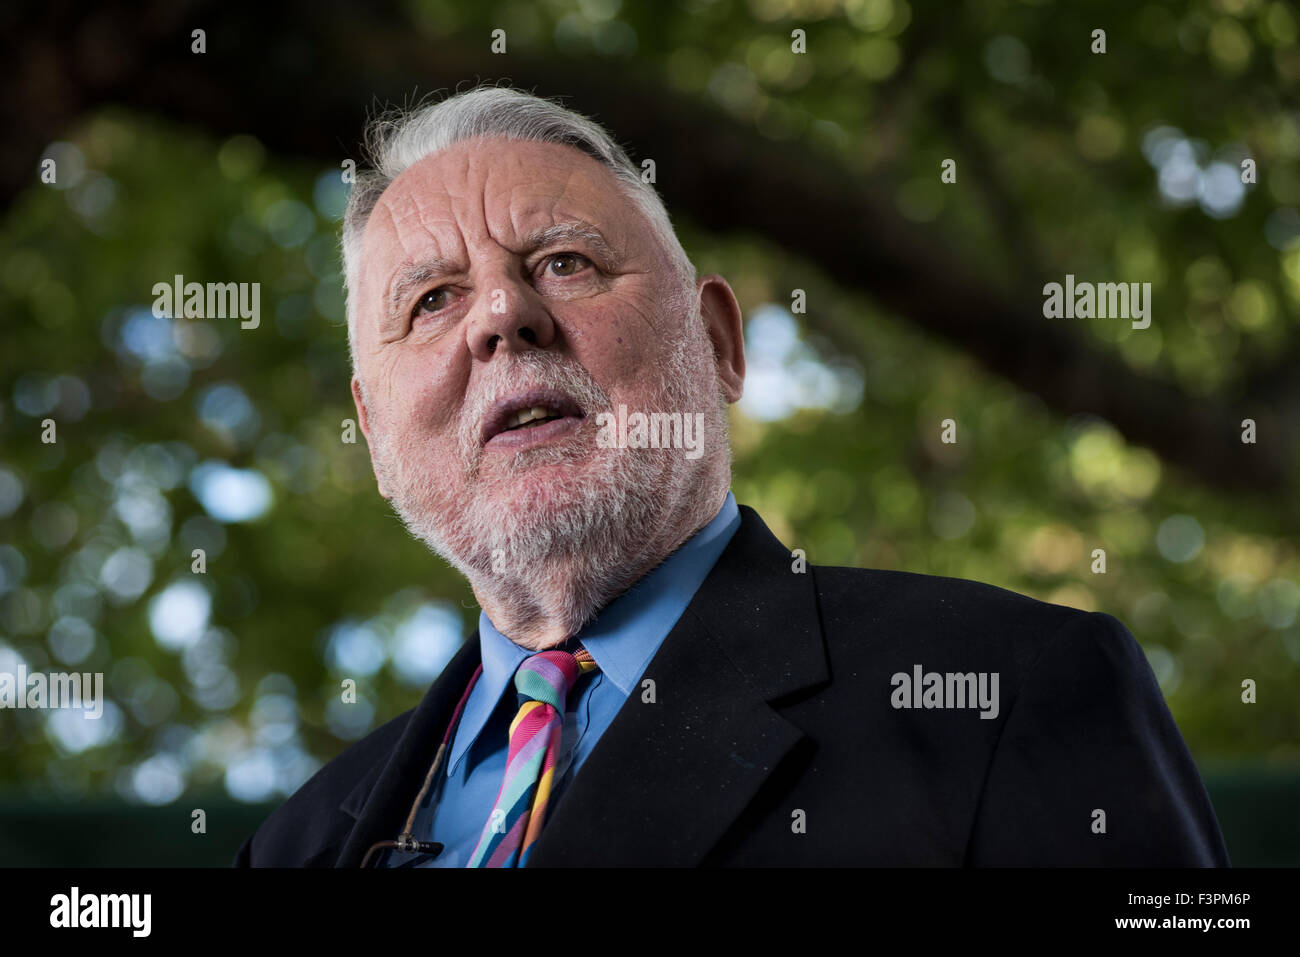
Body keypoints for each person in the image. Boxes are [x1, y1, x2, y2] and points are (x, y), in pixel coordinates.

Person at [234, 86, 1229, 867]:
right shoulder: (295, 844)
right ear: (373, 434)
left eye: (566, 263)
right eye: (433, 299)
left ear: (716, 344)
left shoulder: (1012, 694)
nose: (501, 316)